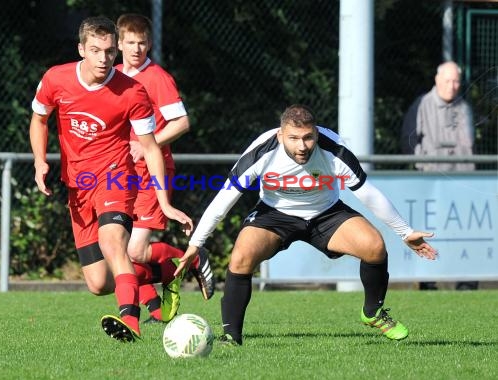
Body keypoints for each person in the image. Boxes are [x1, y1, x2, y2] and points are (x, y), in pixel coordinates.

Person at [175, 104, 437, 346]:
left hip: (326, 213)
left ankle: (373, 312)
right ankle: (231, 338)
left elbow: (368, 193)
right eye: (293, 138)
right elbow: (225, 198)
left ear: (315, 133)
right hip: (274, 214)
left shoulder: (333, 148)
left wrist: (405, 232)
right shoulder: (263, 150)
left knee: (374, 246)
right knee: (241, 255)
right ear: (280, 136)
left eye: (308, 137)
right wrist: (196, 244)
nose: (302, 146)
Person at [29, 16, 193, 343]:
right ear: (81, 50)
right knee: (98, 283)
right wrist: (39, 161)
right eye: (95, 50)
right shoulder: (55, 79)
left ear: (115, 50)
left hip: (116, 178)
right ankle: (167, 269)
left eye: (108, 51)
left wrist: (164, 202)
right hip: (78, 187)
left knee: (113, 242)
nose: (103, 59)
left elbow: (151, 148)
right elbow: (39, 119)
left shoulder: (132, 91)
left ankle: (130, 322)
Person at [115, 14, 215, 323]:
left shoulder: (156, 77)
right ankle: (159, 314)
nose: (136, 48)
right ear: (118, 44)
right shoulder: (114, 75)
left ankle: (192, 257)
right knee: (117, 252)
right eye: (130, 42)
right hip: (121, 175)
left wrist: (148, 144)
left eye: (142, 42)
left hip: (151, 173)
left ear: (149, 43)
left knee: (134, 253)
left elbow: (182, 122)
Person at [401, 61, 478, 291]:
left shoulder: (465, 108)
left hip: (462, 183)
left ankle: (467, 281)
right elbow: (408, 140)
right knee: (430, 231)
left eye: (456, 81)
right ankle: (428, 280)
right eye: (447, 81)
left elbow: (471, 145)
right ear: (437, 80)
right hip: (431, 182)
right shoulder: (421, 104)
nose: (452, 86)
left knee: (465, 233)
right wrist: (422, 165)